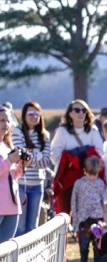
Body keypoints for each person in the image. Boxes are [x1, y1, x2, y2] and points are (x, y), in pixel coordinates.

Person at [50, 100, 105, 216]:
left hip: (89, 179)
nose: (81, 113)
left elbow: (99, 153)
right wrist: (70, 159)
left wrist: (82, 158)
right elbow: (55, 155)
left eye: (84, 110)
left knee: (88, 215)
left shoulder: (93, 131)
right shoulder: (62, 132)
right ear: (70, 113)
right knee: (66, 214)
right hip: (67, 181)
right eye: (77, 110)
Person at [12, 101, 53, 236]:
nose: (34, 116)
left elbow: (46, 162)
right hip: (21, 184)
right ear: (24, 115)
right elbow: (20, 157)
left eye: (37, 113)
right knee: (20, 227)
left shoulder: (45, 135)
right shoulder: (17, 131)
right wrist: (37, 155)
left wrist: (30, 156)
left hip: (37, 185)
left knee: (32, 227)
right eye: (30, 113)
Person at [71, 155, 106, 262]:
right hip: (83, 219)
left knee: (97, 245)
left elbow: (103, 200)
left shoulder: (100, 183)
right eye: (90, 174)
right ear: (84, 171)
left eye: (95, 174)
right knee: (84, 245)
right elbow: (74, 201)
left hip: (97, 218)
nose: (92, 177)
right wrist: (75, 220)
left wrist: (105, 217)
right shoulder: (79, 184)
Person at [0, 109, 31, 242]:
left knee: (6, 248)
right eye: (2, 120)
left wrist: (22, 166)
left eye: (8, 120)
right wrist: (9, 161)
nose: (6, 124)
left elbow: (12, 176)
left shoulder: (7, 146)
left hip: (12, 205)